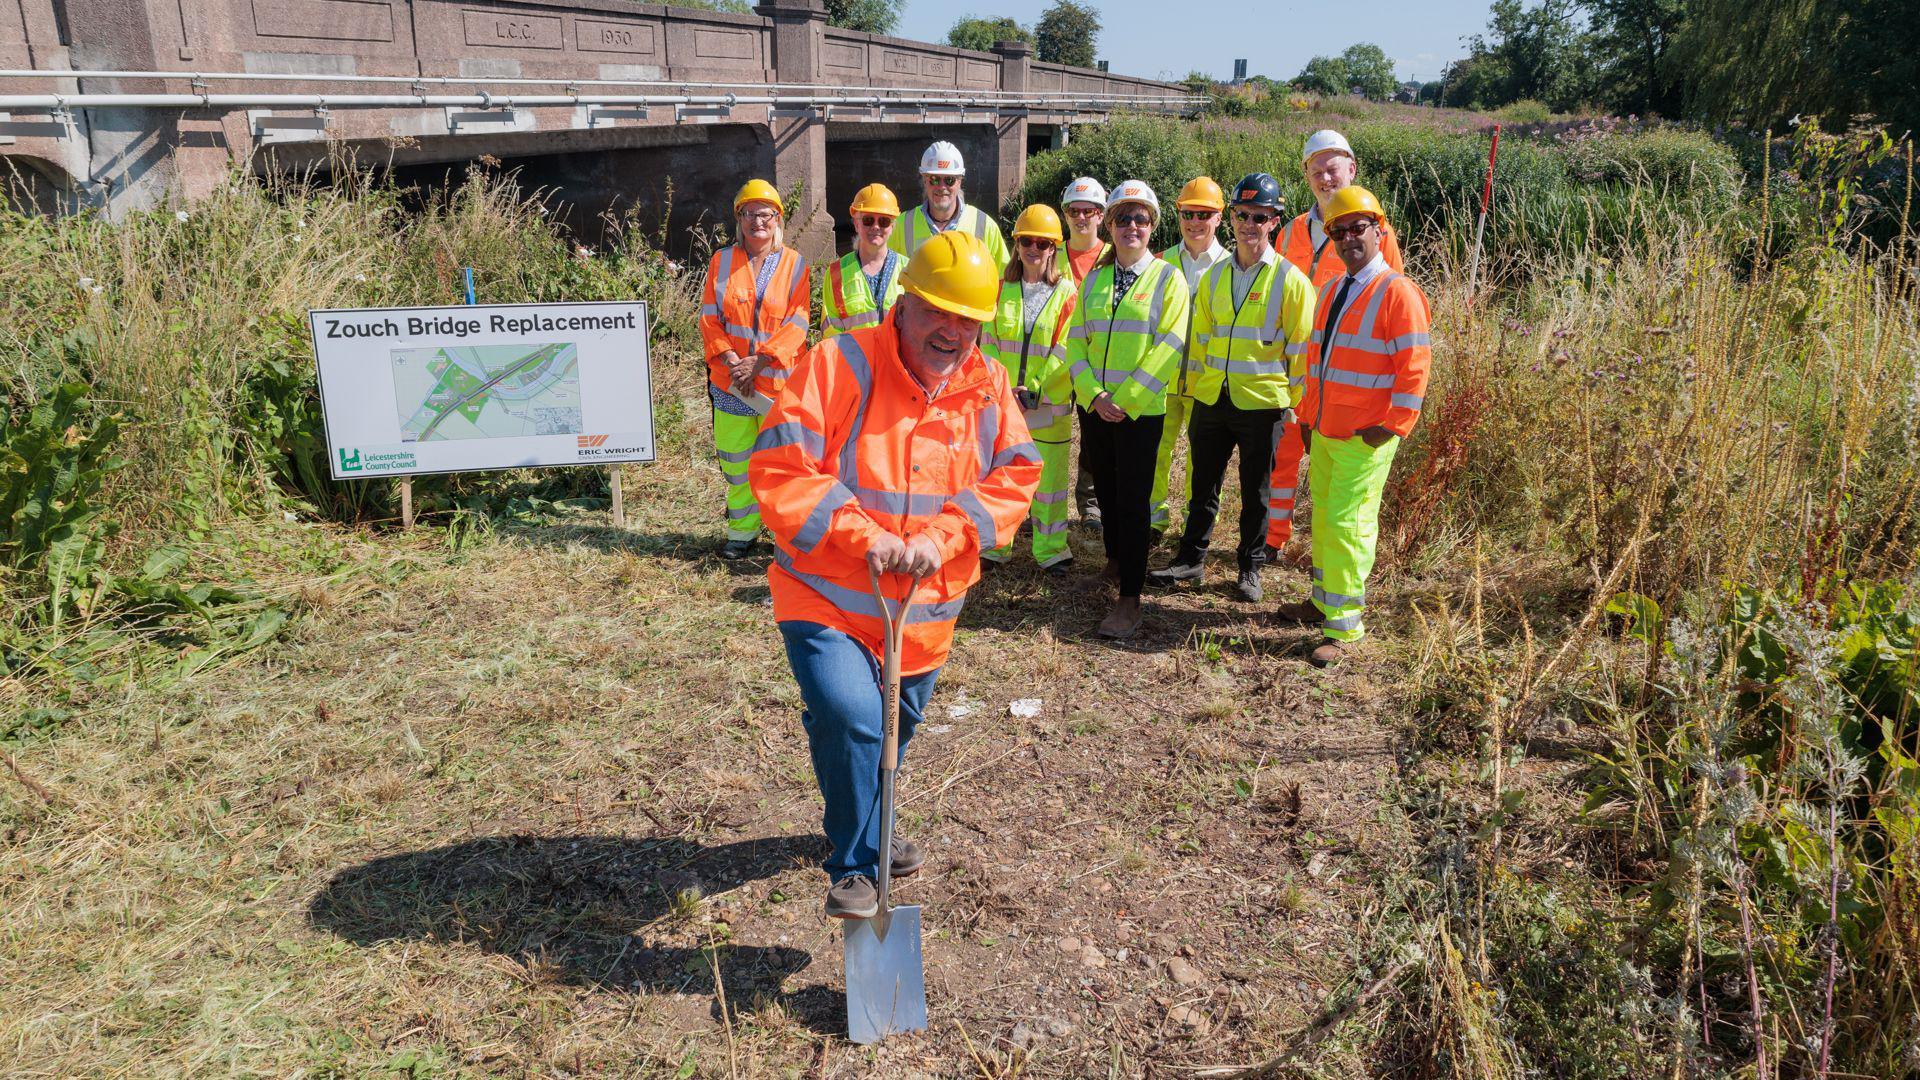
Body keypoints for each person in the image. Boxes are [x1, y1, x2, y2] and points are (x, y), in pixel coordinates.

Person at [749, 230, 1042, 917]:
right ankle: (857, 865)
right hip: (825, 594)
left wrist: (947, 536)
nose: (952, 330)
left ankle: (859, 798)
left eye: (968, 318)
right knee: (855, 716)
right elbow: (781, 468)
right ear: (904, 304)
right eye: (938, 311)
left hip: (925, 611)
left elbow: (1017, 473)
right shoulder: (839, 364)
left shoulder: (988, 383)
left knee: (892, 728)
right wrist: (865, 536)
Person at [1273, 186, 1430, 667]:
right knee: (1323, 518)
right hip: (1325, 431)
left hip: (1365, 438)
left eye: (1357, 228)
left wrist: (1394, 425)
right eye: (1338, 231)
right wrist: (1307, 417)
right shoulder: (1334, 289)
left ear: (1379, 231)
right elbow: (1318, 363)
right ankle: (1323, 602)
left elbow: (1415, 366)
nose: (1347, 238)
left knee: (1349, 526)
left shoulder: (1397, 291)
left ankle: (1344, 628)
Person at [1151, 173, 1316, 603]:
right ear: (1234, 219)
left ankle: (1250, 567)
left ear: (1274, 221)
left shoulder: (1291, 281)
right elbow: (1202, 338)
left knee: (1255, 492)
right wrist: (1204, 384)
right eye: (1243, 215)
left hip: (1263, 404)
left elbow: (1301, 353)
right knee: (1203, 484)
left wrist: (1296, 406)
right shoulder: (1215, 276)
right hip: (1212, 397)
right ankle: (1191, 559)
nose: (1249, 224)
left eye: (1259, 217)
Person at [1265, 129, 1407, 559]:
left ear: (1352, 169)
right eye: (1316, 171)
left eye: (1333, 168)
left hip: (1345, 373)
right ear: (1306, 176)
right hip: (1291, 363)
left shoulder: (1374, 230)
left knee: (1339, 472)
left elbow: (1393, 297)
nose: (1325, 178)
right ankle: (1273, 539)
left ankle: (1333, 563)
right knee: (1282, 453)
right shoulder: (1290, 232)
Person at [1063, 180, 1190, 640]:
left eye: (1140, 218)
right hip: (1096, 408)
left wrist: (1126, 401)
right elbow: (1075, 340)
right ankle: (1114, 565)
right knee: (1108, 492)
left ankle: (1130, 599)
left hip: (1139, 413)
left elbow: (1170, 344)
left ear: (1152, 226)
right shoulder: (1096, 278)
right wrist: (1094, 395)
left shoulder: (1167, 278)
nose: (1130, 226)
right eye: (1122, 218)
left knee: (1134, 502)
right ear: (1110, 225)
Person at [699, 178, 810, 560]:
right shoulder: (721, 262)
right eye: (749, 213)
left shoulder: (796, 265)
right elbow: (709, 319)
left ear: (777, 218)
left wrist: (759, 361)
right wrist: (732, 363)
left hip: (776, 387)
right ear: (739, 218)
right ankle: (741, 534)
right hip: (731, 385)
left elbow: (798, 322)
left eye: (765, 214)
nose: (757, 221)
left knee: (782, 466)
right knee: (737, 462)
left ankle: (783, 539)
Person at [979, 205, 1079, 571]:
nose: (1033, 249)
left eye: (1041, 243)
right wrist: (1006, 391)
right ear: (1016, 244)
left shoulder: (1067, 293)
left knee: (1049, 483)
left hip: (1048, 406)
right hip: (1004, 403)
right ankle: (996, 547)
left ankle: (1051, 550)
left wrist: (1033, 388)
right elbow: (987, 341)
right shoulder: (999, 288)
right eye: (1025, 241)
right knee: (1000, 476)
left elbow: (1066, 349)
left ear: (1054, 248)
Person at [1149, 176, 1230, 535]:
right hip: (1161, 380)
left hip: (1207, 385)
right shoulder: (1160, 263)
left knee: (1205, 462)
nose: (1195, 222)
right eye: (1188, 213)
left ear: (1219, 218)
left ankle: (1197, 526)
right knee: (1154, 454)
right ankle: (1152, 518)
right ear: (1178, 214)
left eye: (1204, 214)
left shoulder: (1232, 266)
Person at [1057, 175, 1109, 530]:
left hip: (1096, 360)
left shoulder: (1113, 255)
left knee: (1094, 436)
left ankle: (1090, 502)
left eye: (1088, 211)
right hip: (1054, 363)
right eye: (1074, 210)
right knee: (1048, 434)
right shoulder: (1050, 252)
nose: (1081, 218)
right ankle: (1040, 500)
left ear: (1101, 214)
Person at [889, 142, 1010, 271]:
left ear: (960, 181)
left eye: (949, 180)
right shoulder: (901, 225)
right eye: (934, 179)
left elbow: (1004, 279)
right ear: (924, 180)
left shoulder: (985, 226)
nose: (942, 187)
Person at [822, 184, 905, 334]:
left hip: (896, 358)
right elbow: (830, 333)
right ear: (856, 224)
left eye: (884, 221)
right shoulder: (836, 273)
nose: (875, 226)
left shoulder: (908, 269)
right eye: (868, 220)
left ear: (892, 227)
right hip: (852, 357)